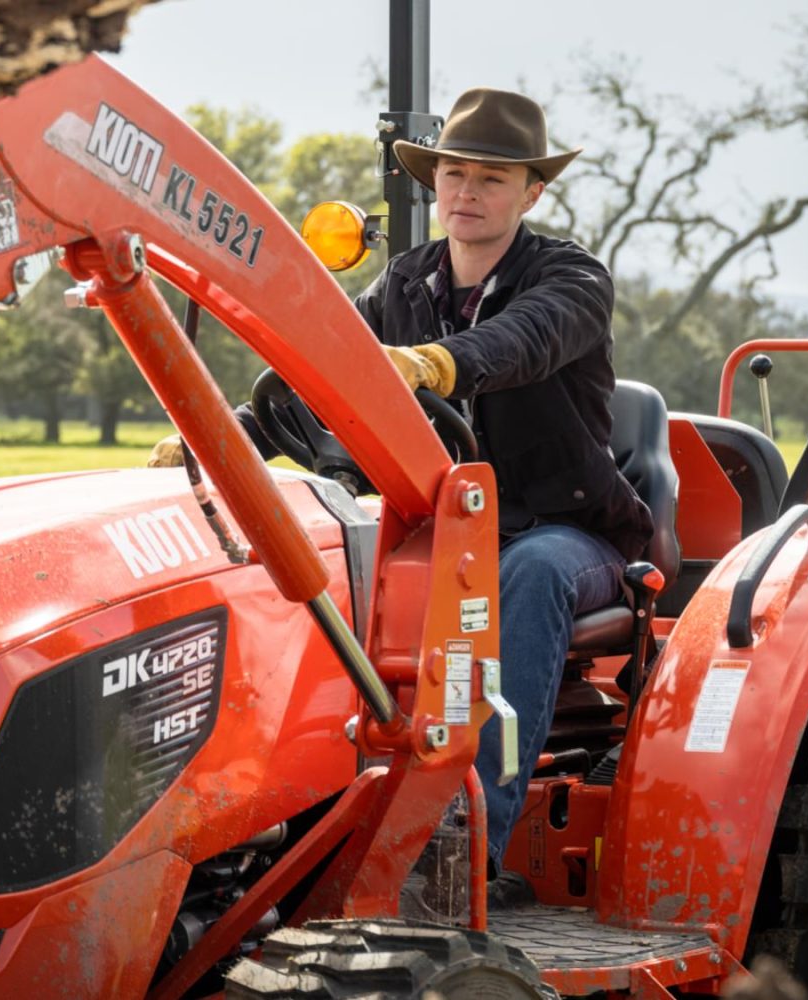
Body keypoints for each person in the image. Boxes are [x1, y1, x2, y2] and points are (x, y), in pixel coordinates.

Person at [154, 88, 651, 904]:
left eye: (491, 179)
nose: (467, 193)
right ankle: (293, 817)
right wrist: (226, 433)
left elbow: (521, 341)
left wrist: (434, 363)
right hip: (439, 535)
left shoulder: (571, 278)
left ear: (532, 192)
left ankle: (467, 848)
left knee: (526, 577)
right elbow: (320, 372)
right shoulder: (406, 282)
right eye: (454, 174)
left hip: (563, 530)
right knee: (318, 571)